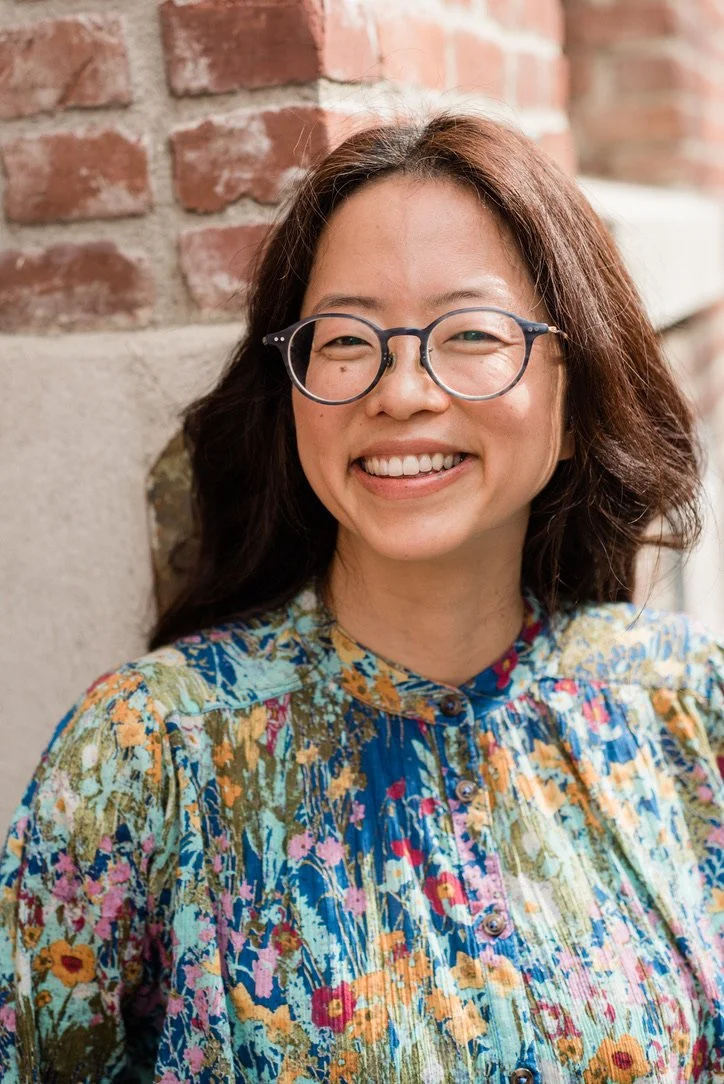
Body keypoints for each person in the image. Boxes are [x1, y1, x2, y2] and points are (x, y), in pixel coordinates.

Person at [0, 112, 721, 1084]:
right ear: (291, 391)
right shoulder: (148, 750)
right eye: (345, 341)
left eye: (470, 332)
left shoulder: (681, 710)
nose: (402, 389)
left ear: (571, 401)